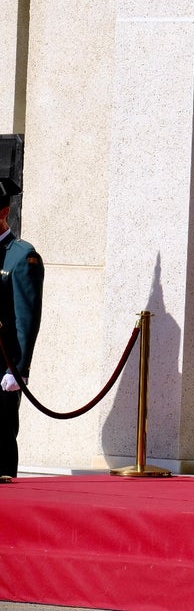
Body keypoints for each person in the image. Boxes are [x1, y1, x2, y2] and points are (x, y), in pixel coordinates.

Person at [0, 178, 43, 482]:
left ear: (5, 211)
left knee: (0, 437)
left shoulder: (22, 256)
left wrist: (19, 368)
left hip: (2, 364)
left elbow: (26, 318)